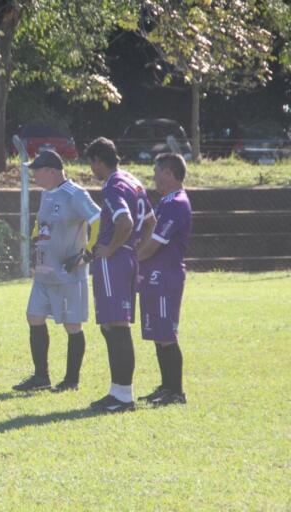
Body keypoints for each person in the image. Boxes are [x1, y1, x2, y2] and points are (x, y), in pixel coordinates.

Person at [12, 150, 101, 393]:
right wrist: (34, 244)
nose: (34, 176)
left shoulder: (75, 194)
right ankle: (41, 377)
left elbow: (99, 220)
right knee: (34, 317)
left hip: (68, 276)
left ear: (51, 171)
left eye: (36, 171)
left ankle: (71, 380)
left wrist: (87, 254)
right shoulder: (46, 194)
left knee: (72, 326)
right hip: (44, 273)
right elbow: (41, 223)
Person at [85, 137, 155, 413]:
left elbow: (124, 222)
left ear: (98, 161)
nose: (92, 171)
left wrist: (110, 249)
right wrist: (136, 250)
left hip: (113, 260)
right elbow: (150, 221)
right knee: (113, 327)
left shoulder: (112, 185)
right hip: (127, 258)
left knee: (116, 327)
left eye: (92, 164)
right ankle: (118, 391)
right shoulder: (133, 181)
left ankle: (123, 396)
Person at [136, 153, 191, 406]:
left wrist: (130, 259)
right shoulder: (165, 202)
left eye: (157, 172)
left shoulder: (176, 203)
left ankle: (176, 391)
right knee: (159, 333)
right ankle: (166, 386)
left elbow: (153, 246)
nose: (154, 177)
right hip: (154, 275)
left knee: (167, 333)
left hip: (165, 276)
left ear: (169, 173)